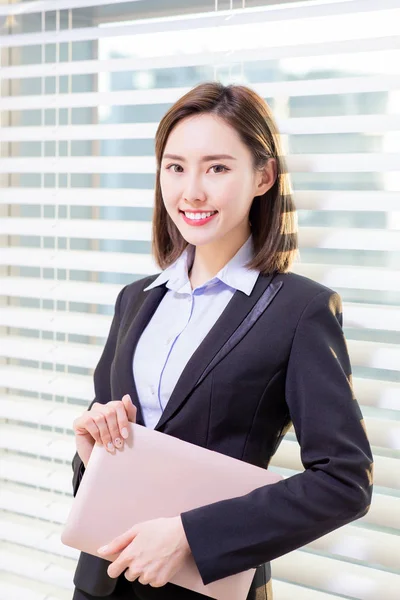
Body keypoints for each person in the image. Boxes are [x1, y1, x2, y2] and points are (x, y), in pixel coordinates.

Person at [71, 82, 373, 600]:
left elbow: (344, 481)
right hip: (103, 582)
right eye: (175, 167)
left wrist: (191, 536)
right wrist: (90, 451)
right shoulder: (135, 300)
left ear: (263, 176)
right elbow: (111, 462)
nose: (191, 191)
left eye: (217, 167)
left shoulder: (300, 310)